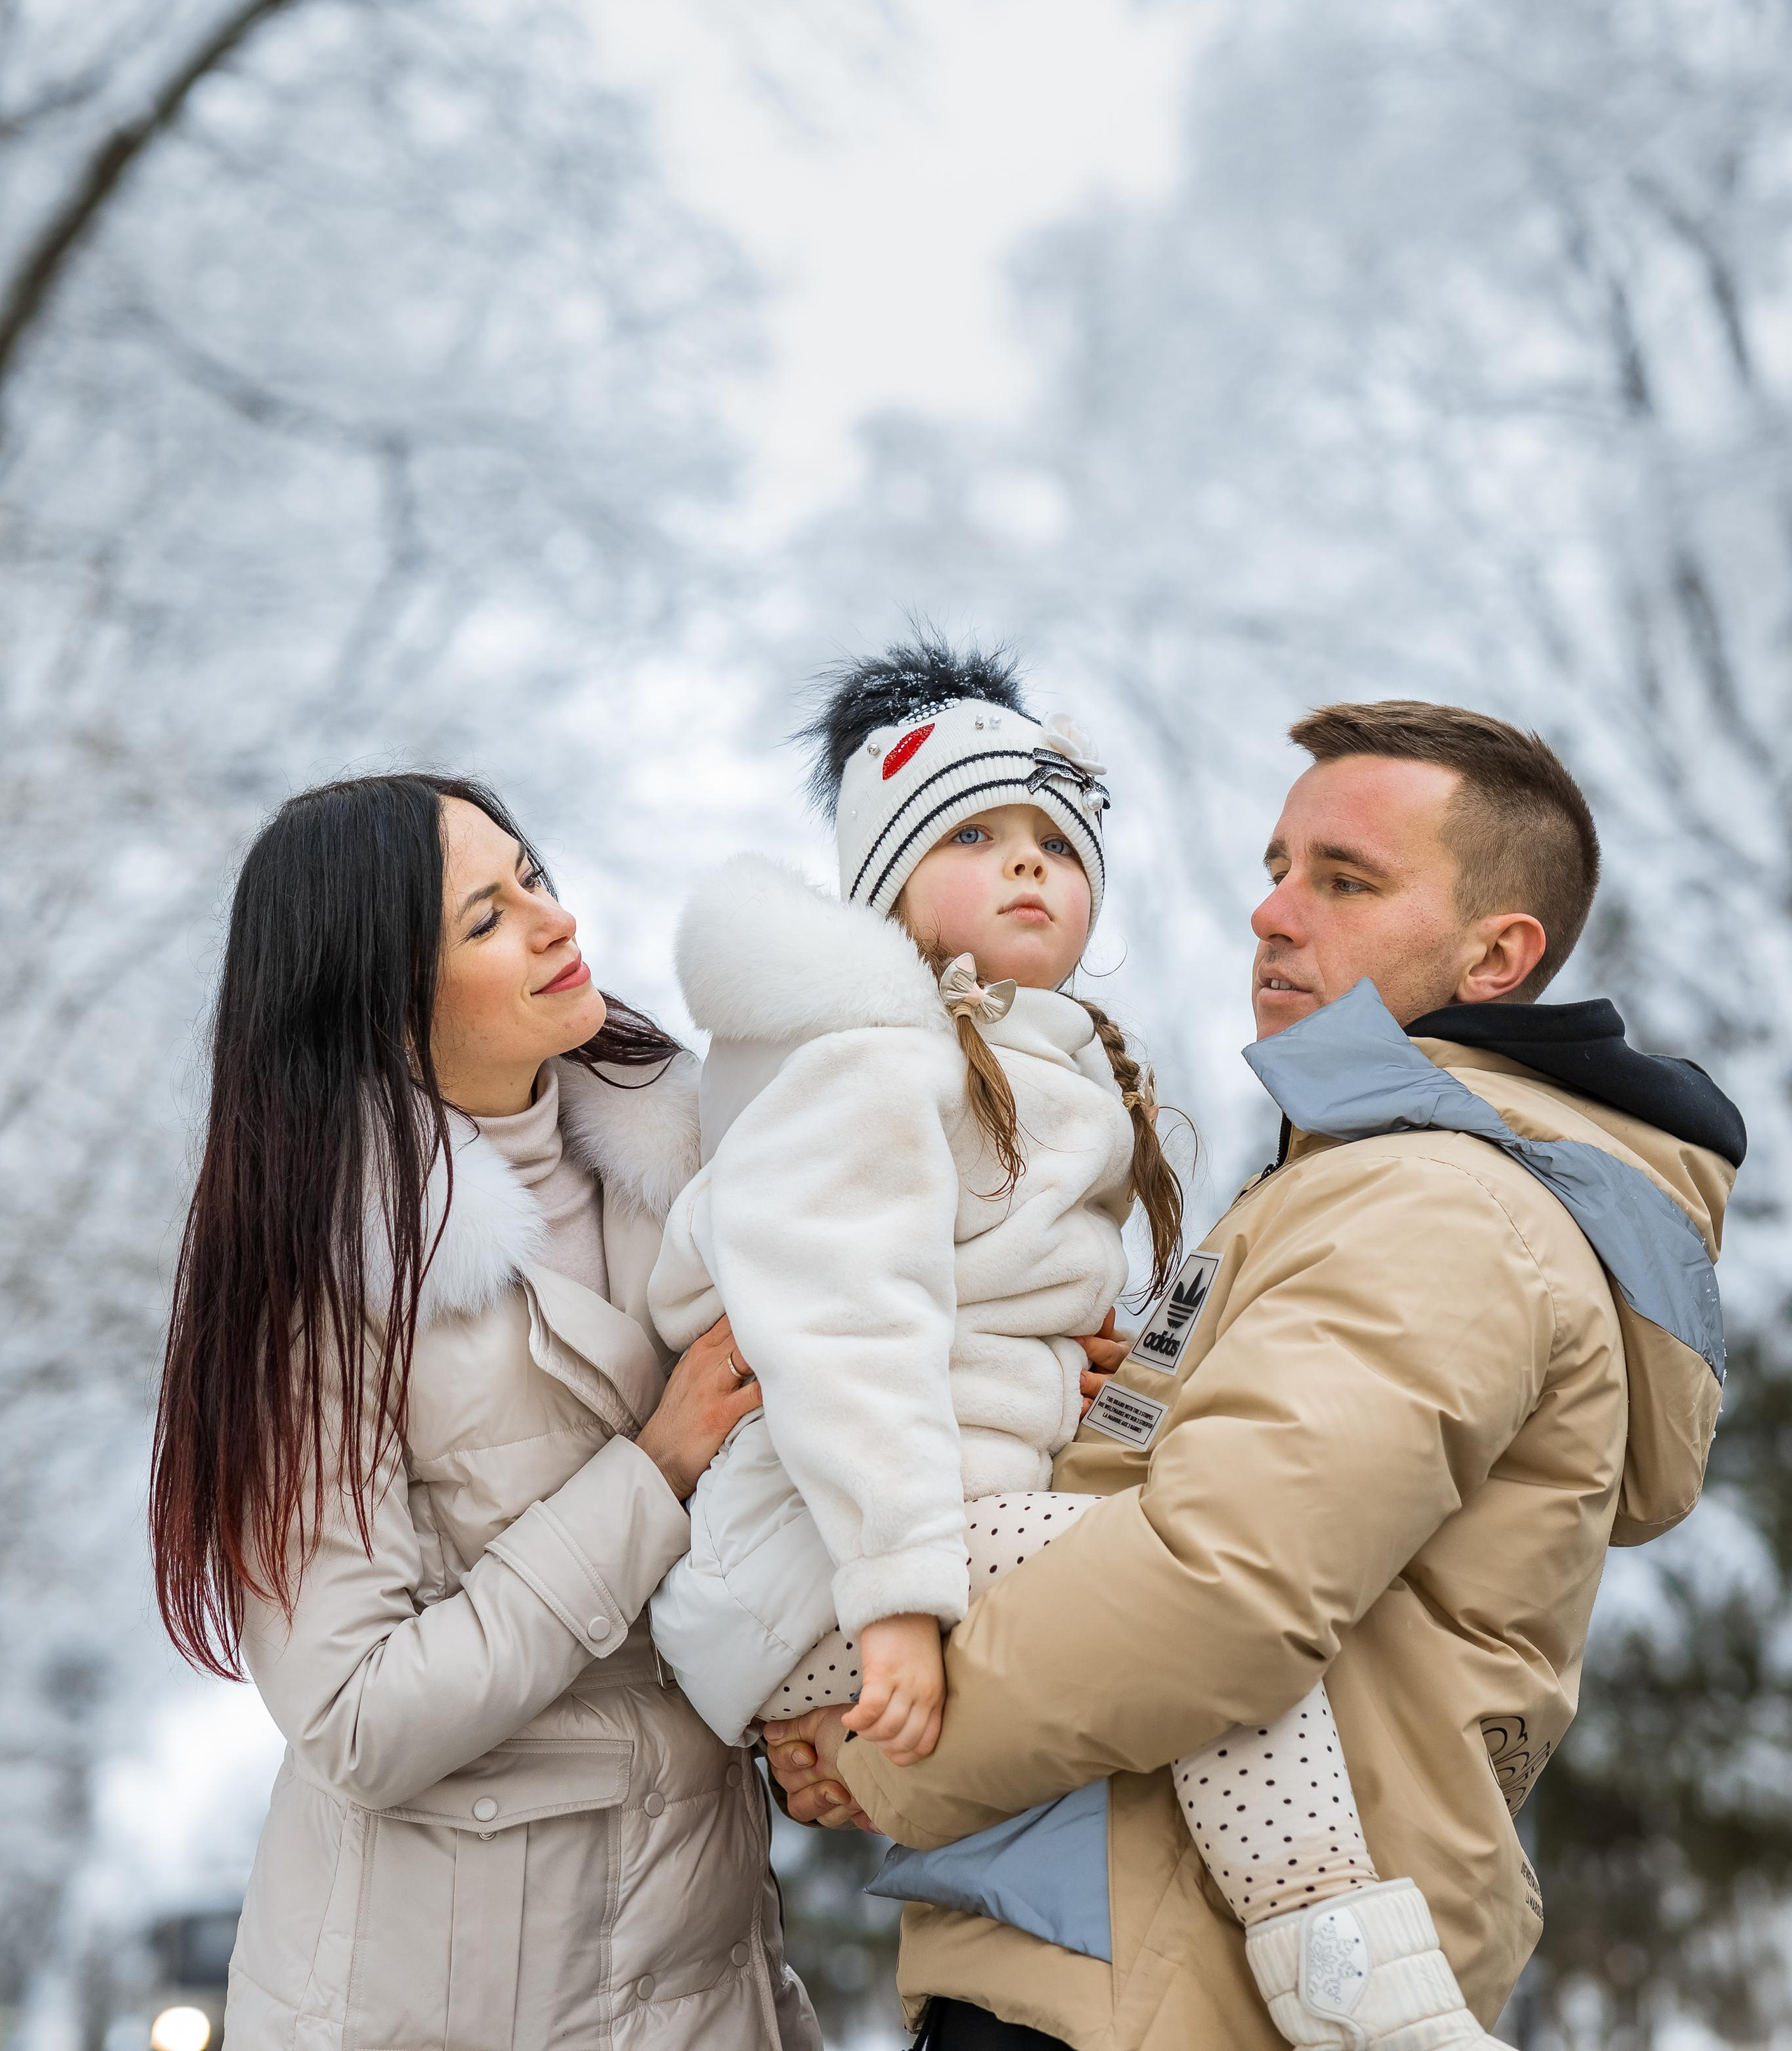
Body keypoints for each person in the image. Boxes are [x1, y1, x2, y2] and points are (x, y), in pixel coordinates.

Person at [768, 699, 1744, 2051]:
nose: (1275, 914)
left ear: (1499, 952)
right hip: (1135, 1952)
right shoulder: (1358, 1180)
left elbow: (1220, 1588)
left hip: (1176, 1982)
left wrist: (878, 1745)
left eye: (1345, 881)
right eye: (1277, 868)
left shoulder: (1438, 1208)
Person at [648, 640, 1497, 2047]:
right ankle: (1353, 1990)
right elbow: (844, 1337)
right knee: (1200, 1612)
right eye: (972, 835)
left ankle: (1327, 1975)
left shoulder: (1040, 1059)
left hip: (910, 1544)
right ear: (886, 886)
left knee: (1191, 1626)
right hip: (832, 1566)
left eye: (1053, 838)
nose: (1026, 865)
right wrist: (896, 1599)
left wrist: (1091, 1385)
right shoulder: (872, 1060)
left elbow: (971, 1322)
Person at [150, 771, 818, 2051]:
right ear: (377, 999)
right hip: (444, 1995)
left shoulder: (700, 1168)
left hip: (702, 1953)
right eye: (484, 919)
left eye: (536, 878)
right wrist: (651, 1472)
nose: (553, 921)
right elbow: (354, 1717)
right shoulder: (327, 1281)